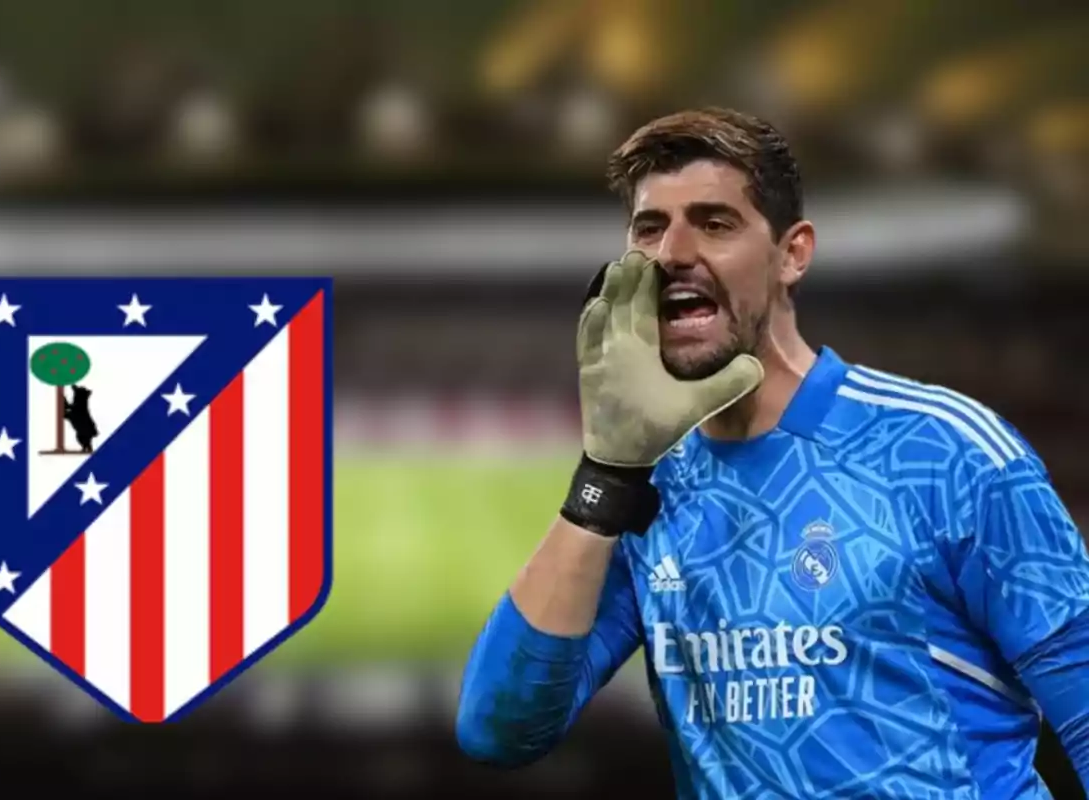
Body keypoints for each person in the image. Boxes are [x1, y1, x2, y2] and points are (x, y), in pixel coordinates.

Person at [455, 107, 1089, 797]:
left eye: (715, 223)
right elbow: (500, 728)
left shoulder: (946, 453)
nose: (672, 254)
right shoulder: (649, 492)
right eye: (650, 228)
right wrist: (607, 472)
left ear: (793, 254)